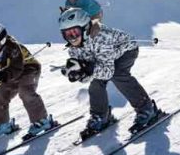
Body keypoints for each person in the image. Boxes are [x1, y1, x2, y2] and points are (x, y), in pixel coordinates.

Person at [58, 7, 158, 137]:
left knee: (118, 75)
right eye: (67, 34)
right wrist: (80, 73)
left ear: (84, 28)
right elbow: (91, 74)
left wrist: (89, 69)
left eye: (75, 33)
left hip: (126, 51)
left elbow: (107, 72)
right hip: (104, 57)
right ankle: (101, 116)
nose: (72, 38)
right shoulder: (74, 48)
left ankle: (147, 109)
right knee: (95, 82)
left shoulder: (101, 37)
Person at [0, 23, 55, 142]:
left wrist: (0, 75)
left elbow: (17, 68)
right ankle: (2, 123)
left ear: (1, 40)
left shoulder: (13, 47)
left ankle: (42, 120)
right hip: (12, 75)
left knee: (25, 91)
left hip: (29, 70)